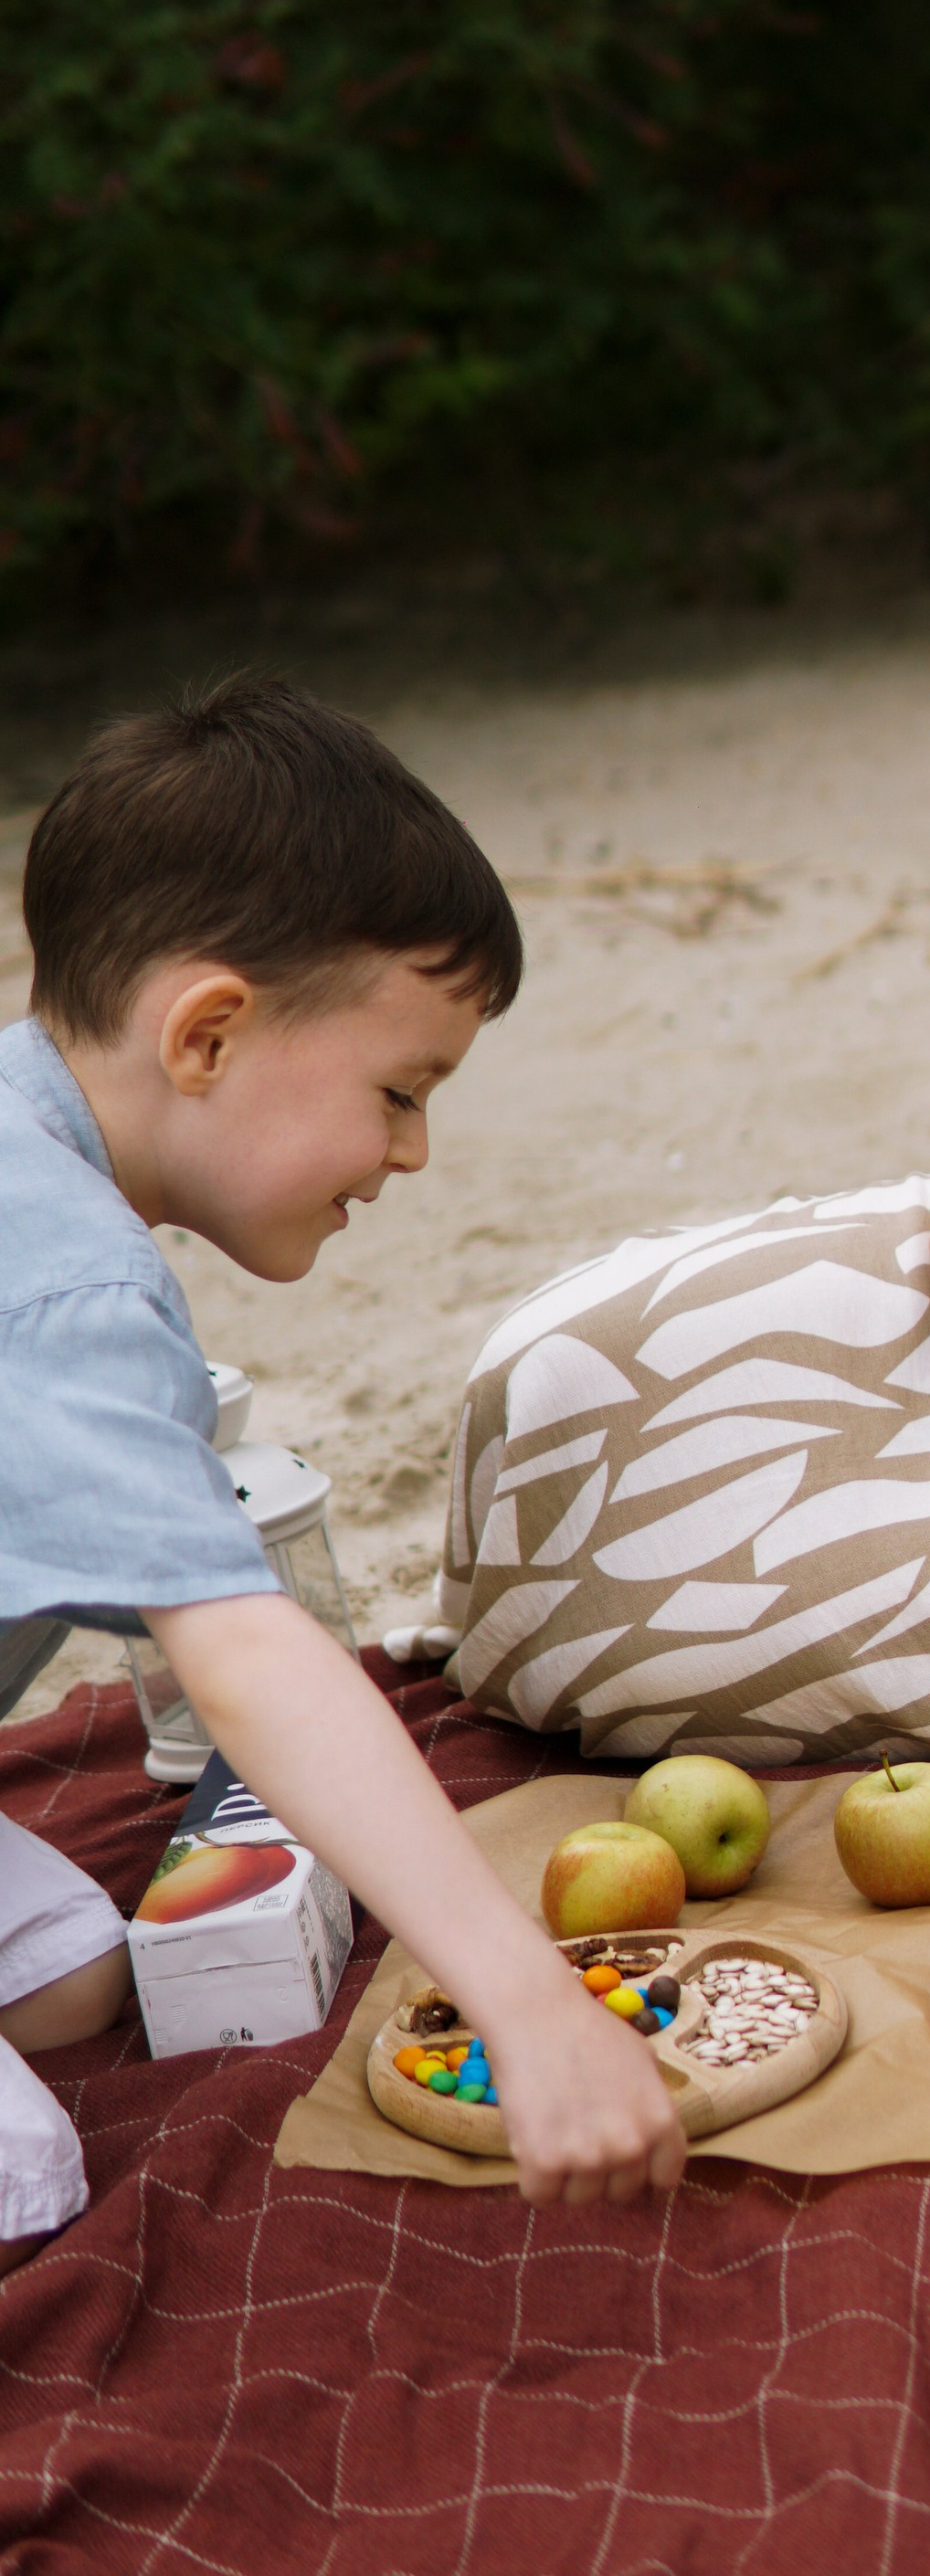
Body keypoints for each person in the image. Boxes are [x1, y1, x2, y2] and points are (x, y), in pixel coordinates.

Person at [0, 676, 686, 2252]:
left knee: (72, 1980)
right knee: (30, 2185)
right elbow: (243, 1653)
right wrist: (522, 1996)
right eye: (400, 1093)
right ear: (211, 1032)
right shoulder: (72, 1286)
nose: (413, 1155)